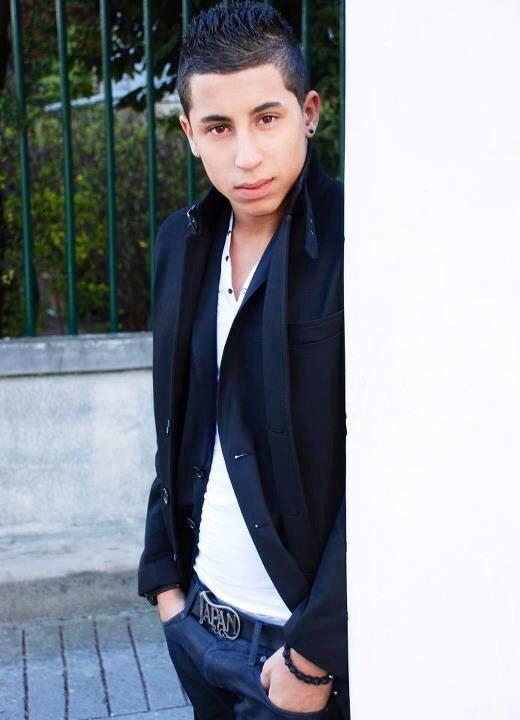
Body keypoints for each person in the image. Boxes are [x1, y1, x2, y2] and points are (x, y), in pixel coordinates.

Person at [137, 2, 348, 718]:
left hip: (299, 661)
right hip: (199, 626)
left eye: (267, 118)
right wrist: (166, 591)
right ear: (189, 133)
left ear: (308, 112)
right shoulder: (181, 242)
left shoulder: (361, 242)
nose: (246, 156)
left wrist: (312, 657)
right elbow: (175, 422)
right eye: (219, 127)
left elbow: (397, 465)